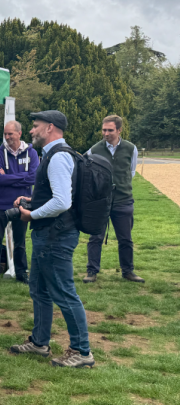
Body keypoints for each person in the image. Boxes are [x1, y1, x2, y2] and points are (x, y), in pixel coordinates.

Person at [9, 110, 94, 368]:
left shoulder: (58, 157)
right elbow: (57, 195)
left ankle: (82, 351)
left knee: (63, 293)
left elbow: (62, 202)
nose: (31, 130)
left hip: (55, 237)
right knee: (39, 289)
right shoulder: (56, 155)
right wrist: (32, 200)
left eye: (36, 126)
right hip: (49, 235)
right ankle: (39, 342)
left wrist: (32, 214)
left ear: (50, 128)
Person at [84, 115, 143, 283]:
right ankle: (92, 271)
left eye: (110, 130)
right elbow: (86, 171)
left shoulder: (131, 148)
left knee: (125, 239)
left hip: (123, 200)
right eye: (104, 130)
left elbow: (131, 172)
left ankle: (128, 271)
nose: (106, 133)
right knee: (95, 237)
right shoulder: (94, 149)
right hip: (100, 202)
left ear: (119, 130)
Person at [0, 121, 39, 284]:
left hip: (22, 204)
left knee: (20, 241)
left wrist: (8, 177)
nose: (7, 137)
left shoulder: (31, 153)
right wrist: (23, 177)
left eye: (10, 133)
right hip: (0, 203)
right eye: (5, 134)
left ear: (19, 133)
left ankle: (21, 272)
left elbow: (34, 178)